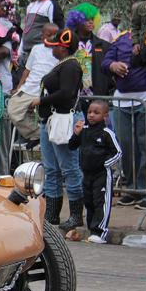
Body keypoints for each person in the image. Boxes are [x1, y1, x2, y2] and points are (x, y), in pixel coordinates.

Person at [102, 2, 146, 209]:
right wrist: (112, 65)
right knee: (126, 147)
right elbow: (104, 63)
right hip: (122, 103)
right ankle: (133, 190)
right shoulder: (120, 38)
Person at [30, 28, 84, 229]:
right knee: (51, 169)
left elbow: (67, 94)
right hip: (51, 120)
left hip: (64, 120)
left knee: (69, 167)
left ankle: (76, 215)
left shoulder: (71, 66)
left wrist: (40, 100)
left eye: (55, 46)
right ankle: (52, 214)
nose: (52, 49)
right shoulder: (63, 65)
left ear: (63, 47)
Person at [68, 101, 122, 243]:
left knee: (100, 201)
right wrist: (76, 133)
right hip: (87, 174)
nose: (91, 115)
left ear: (105, 116)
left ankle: (100, 232)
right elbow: (72, 146)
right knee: (89, 201)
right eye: (90, 112)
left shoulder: (106, 133)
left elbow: (117, 152)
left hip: (102, 174)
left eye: (96, 113)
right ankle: (92, 230)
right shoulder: (84, 131)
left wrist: (104, 164)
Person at [7, 23, 59, 148]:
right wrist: (19, 87)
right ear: (42, 36)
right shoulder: (36, 49)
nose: (52, 37)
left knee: (48, 117)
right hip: (30, 88)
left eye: (55, 35)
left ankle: (45, 136)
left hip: (46, 91)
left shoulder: (59, 50)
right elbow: (27, 70)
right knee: (13, 110)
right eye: (49, 35)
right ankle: (37, 134)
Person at [65, 3, 112, 107]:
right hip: (73, 98)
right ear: (77, 22)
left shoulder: (104, 45)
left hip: (97, 98)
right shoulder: (68, 44)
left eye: (92, 19)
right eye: (86, 19)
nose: (91, 22)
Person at [20, 0, 65, 70]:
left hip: (41, 54)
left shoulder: (50, 5)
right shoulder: (30, 6)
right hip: (25, 53)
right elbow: (26, 31)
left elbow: (58, 30)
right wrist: (19, 52)